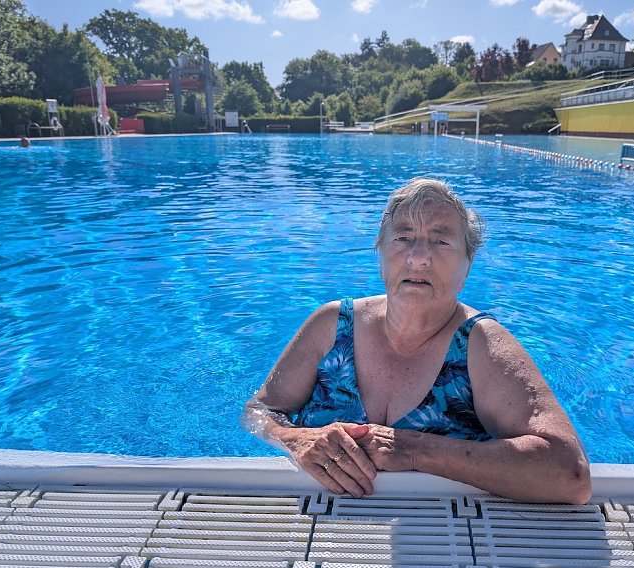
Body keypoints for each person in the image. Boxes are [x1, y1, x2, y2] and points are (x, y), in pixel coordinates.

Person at [242, 178, 591, 504]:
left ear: (467, 264)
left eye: (440, 241)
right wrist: (296, 439)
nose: (418, 257)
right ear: (380, 253)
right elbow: (260, 411)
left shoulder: (479, 346)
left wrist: (414, 450)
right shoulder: (333, 325)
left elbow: (569, 472)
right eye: (402, 238)